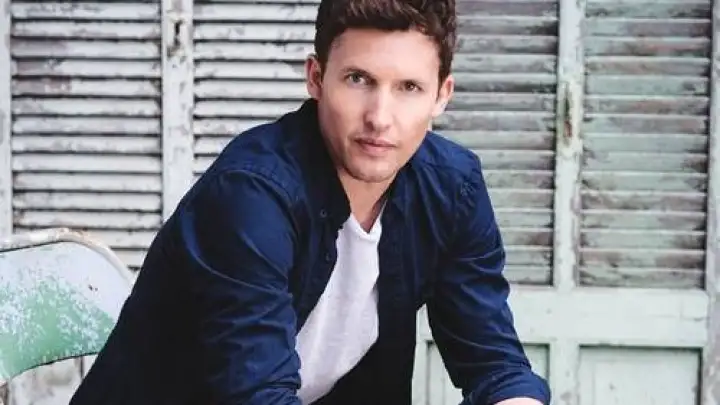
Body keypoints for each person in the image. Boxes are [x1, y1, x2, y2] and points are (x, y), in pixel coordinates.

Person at [69, 0, 550, 404]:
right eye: (358, 79)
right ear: (316, 78)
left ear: (441, 96)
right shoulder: (252, 196)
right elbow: (256, 395)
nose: (380, 117)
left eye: (409, 87)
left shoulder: (452, 189)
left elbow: (493, 361)